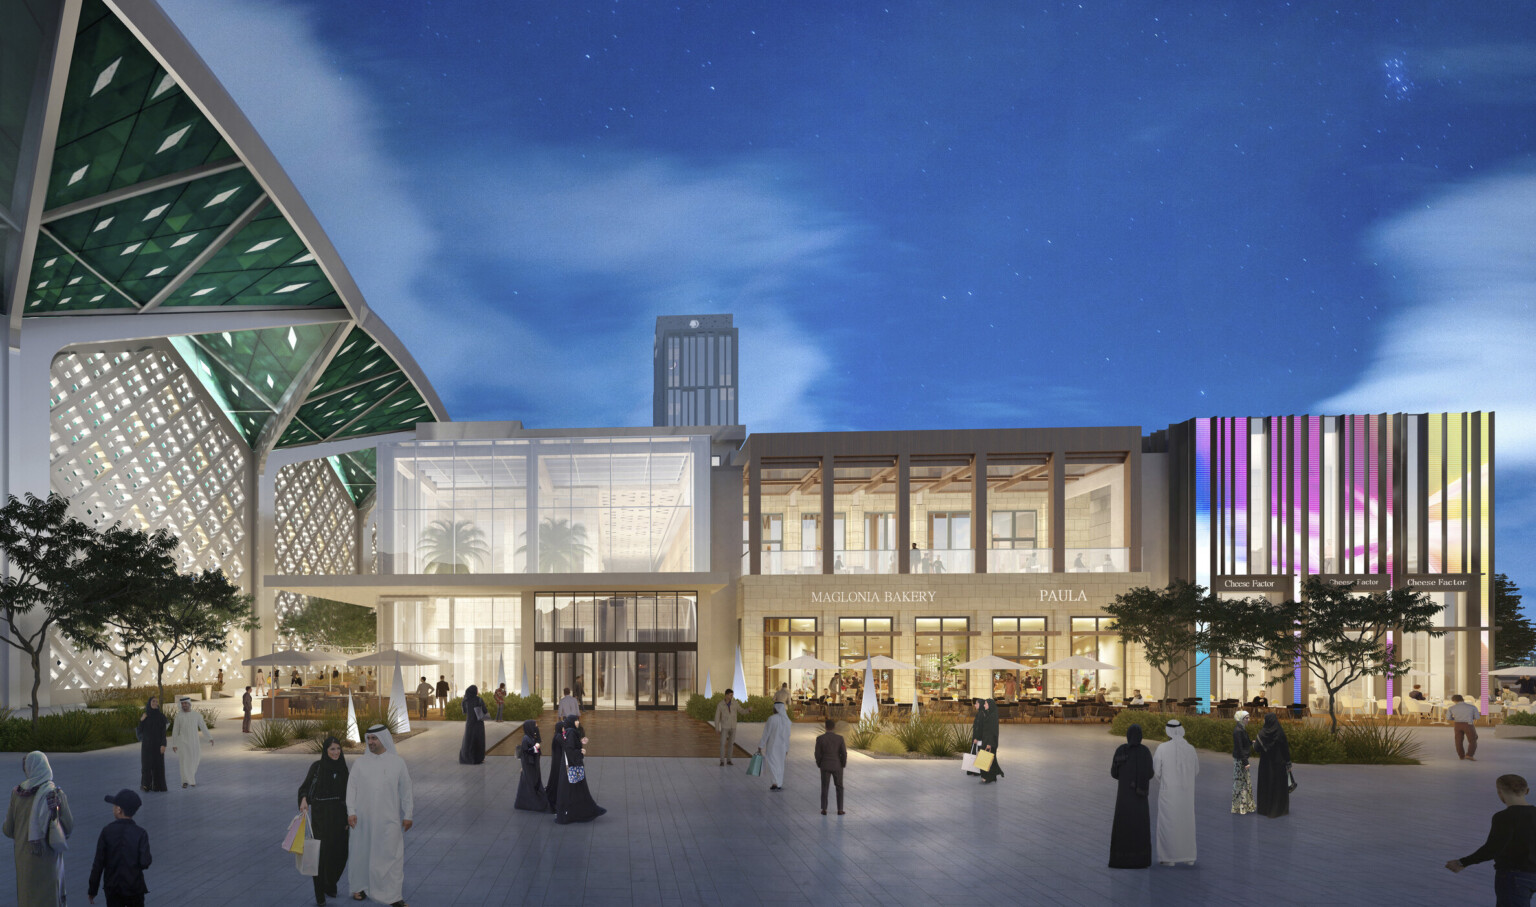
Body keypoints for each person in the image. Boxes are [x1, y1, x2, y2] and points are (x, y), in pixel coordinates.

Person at [347, 726, 413, 907]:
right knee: (362, 854)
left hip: (388, 820)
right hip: (363, 821)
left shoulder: (397, 763)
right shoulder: (360, 763)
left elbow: (406, 790)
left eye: (374, 738)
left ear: (384, 739)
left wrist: (408, 814)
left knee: (392, 857)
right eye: (368, 739)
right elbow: (351, 789)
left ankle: (393, 896)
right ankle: (360, 887)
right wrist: (351, 812)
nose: (370, 742)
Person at [1446, 774, 1536, 904]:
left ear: (1500, 792)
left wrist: (1462, 863)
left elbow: (1493, 848)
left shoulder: (1503, 817)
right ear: (1527, 791)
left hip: (1513, 877)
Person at [4, 751, 73, 906]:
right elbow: (68, 827)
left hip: (24, 861)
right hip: (48, 861)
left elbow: (8, 830)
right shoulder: (55, 794)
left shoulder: (17, 794)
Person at [298, 736, 350, 906]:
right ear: (325, 751)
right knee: (320, 856)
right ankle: (319, 893)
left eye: (338, 749)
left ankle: (329, 883)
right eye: (332, 749)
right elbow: (305, 787)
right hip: (321, 816)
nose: (335, 752)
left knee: (341, 853)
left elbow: (349, 793)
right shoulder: (317, 767)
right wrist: (304, 799)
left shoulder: (342, 768)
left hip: (339, 815)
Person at [87, 790, 149, 907]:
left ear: (119, 810)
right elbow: (145, 862)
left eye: (114, 806)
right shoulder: (141, 833)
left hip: (113, 887)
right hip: (134, 887)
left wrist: (92, 890)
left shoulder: (107, 831)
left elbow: (98, 864)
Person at [1151, 719, 1198, 866]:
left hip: (1168, 793)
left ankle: (1169, 858)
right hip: (1187, 793)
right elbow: (1196, 771)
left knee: (1168, 823)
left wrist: (1166, 781)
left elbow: (1156, 771)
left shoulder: (1162, 748)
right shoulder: (1191, 748)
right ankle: (1189, 856)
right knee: (1186, 823)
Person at [1108, 724, 1154, 869]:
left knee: (1123, 825)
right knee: (1140, 826)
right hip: (1140, 797)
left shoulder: (1121, 750)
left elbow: (1114, 773)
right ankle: (1140, 859)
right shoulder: (1145, 752)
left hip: (1123, 797)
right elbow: (1150, 773)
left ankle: (1121, 859)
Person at [553, 716, 606, 824]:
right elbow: (570, 749)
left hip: (568, 766)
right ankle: (575, 812)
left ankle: (569, 812)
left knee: (572, 788)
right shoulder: (571, 732)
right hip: (572, 766)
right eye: (576, 720)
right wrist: (580, 752)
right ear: (572, 722)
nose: (578, 722)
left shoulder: (569, 731)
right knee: (575, 788)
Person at [1252, 713, 1291, 818]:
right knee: (1278, 786)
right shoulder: (1280, 733)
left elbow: (1256, 748)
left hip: (1265, 765)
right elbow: (1285, 749)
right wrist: (1288, 763)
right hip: (1279, 764)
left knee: (1266, 785)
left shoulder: (1262, 733)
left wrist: (1255, 743)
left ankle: (1265, 809)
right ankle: (1279, 810)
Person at [168, 696, 212, 789]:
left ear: (189, 704)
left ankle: (190, 778)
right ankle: (186, 781)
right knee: (184, 762)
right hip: (182, 742)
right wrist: (174, 744)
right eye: (182, 704)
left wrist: (209, 738)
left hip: (194, 742)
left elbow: (203, 727)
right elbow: (175, 731)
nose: (184, 705)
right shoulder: (179, 716)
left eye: (185, 703)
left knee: (195, 760)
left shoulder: (196, 715)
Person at [513, 721, 549, 812]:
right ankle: (532, 802)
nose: (536, 726)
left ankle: (527, 802)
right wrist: (536, 747)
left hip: (531, 765)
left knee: (529, 781)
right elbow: (526, 752)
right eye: (535, 725)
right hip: (529, 766)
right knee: (531, 782)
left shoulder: (530, 737)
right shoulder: (526, 738)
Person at [814, 718, 847, 816]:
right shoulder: (840, 738)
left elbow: (817, 754)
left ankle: (824, 809)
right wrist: (842, 764)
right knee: (839, 787)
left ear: (825, 727)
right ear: (834, 727)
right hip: (837, 766)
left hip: (825, 765)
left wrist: (820, 764)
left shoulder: (820, 738)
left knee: (824, 787)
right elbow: (844, 753)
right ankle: (840, 809)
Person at [137, 697, 168, 793]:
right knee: (146, 765)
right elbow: (139, 730)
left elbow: (163, 732)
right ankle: (146, 785)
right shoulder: (145, 715)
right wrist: (142, 720)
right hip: (146, 745)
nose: (155, 703)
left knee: (158, 765)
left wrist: (163, 744)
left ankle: (158, 786)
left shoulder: (161, 717)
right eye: (153, 701)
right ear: (149, 703)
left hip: (158, 745)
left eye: (156, 701)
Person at [759, 701, 792, 791]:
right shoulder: (787, 721)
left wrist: (761, 745)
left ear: (776, 708)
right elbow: (787, 736)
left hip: (772, 746)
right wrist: (787, 748)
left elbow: (766, 733)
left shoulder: (772, 719)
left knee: (772, 763)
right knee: (780, 765)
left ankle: (775, 782)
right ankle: (779, 783)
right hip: (782, 747)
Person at [971, 698, 1003, 783]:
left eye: (985, 704)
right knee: (988, 759)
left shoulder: (992, 717)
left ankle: (989, 777)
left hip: (990, 741)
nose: (984, 705)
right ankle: (989, 776)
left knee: (988, 759)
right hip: (986, 740)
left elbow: (993, 731)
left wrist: (990, 743)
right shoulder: (988, 714)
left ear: (990, 705)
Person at [714, 689, 748, 766]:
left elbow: (741, 711)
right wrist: (716, 728)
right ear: (726, 695)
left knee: (731, 744)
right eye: (730, 695)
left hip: (733, 727)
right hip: (725, 727)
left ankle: (729, 760)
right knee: (722, 744)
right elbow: (717, 717)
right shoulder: (720, 704)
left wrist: (748, 710)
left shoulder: (735, 703)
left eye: (732, 695)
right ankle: (722, 761)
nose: (731, 696)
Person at [1231, 710, 1256, 815]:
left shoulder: (1241, 729)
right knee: (1241, 783)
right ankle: (1240, 807)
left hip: (1242, 759)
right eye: (1246, 718)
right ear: (1241, 719)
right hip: (1240, 760)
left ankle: (1244, 806)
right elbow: (1239, 748)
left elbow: (1244, 742)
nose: (1248, 720)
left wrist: (1251, 742)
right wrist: (1245, 762)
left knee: (1244, 783)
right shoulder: (1238, 731)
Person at [458, 685, 487, 765]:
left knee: (468, 740)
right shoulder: (479, 699)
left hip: (469, 723)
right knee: (478, 740)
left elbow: (464, 712)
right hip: (478, 723)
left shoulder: (465, 700)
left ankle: (466, 758)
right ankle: (478, 758)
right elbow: (485, 710)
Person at [544, 716, 567, 815]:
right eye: (563, 727)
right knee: (556, 781)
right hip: (558, 763)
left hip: (557, 762)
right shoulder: (558, 737)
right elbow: (566, 745)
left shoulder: (557, 736)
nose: (564, 729)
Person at [1448, 694, 1481, 761]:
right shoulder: (1472, 707)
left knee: (1458, 741)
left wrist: (1456, 718)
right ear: (1463, 699)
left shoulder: (1451, 708)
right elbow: (1477, 717)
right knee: (1473, 740)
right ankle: (1469, 755)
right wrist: (1469, 717)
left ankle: (1461, 756)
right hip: (1468, 724)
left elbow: (1448, 717)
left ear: (1454, 701)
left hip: (1457, 724)